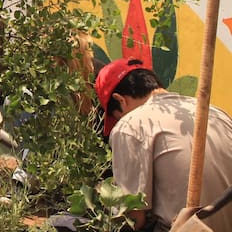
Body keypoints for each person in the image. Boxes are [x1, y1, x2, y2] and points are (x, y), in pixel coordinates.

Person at [95, 58, 232, 231]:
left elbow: (132, 220)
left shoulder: (130, 125)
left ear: (120, 100)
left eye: (116, 117)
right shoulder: (214, 111)